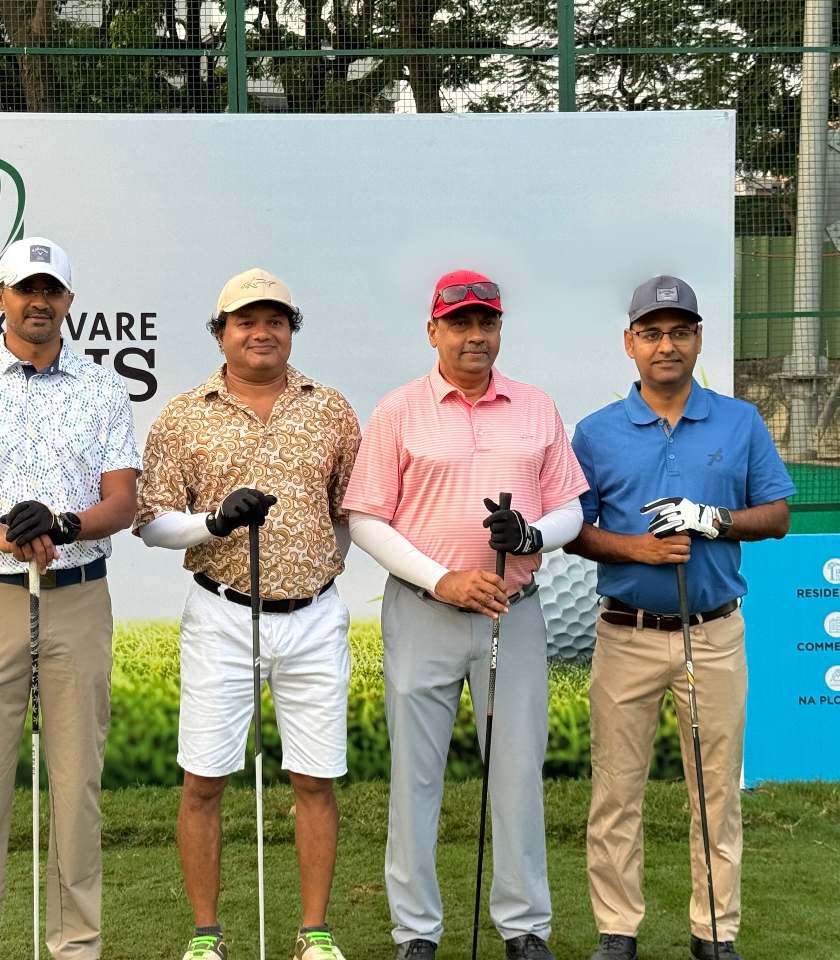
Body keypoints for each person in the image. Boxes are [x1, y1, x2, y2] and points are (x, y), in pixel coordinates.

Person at [344, 269, 588, 960]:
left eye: (486, 322)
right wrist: (442, 579)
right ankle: (416, 932)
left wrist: (532, 536)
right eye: (459, 323)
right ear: (434, 331)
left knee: (516, 772)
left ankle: (524, 926)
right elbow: (365, 518)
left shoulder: (536, 407)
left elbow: (570, 507)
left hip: (515, 612)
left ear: (499, 329)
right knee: (414, 775)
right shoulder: (399, 410)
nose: (474, 335)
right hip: (424, 610)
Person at [0, 236, 142, 960]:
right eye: (25, 289)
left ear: (68, 301)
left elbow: (122, 501)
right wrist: (4, 535)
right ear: (0, 298)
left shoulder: (103, 389)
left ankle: (77, 948)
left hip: (78, 595)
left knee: (77, 789)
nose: (38, 302)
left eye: (50, 290)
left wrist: (64, 524)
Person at [132, 267, 361, 960]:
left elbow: (348, 511)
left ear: (291, 330)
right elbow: (151, 522)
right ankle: (206, 935)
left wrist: (320, 567)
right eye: (246, 321)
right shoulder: (183, 414)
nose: (262, 332)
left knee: (314, 779)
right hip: (223, 616)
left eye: (275, 320)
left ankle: (315, 934)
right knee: (204, 779)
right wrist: (214, 522)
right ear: (221, 332)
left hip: (314, 617)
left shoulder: (331, 409)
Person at [565, 275, 794, 960]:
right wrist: (635, 547)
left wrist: (713, 519)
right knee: (616, 791)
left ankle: (714, 932)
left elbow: (777, 515)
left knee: (716, 791)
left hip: (715, 633)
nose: (666, 345)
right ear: (630, 343)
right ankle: (617, 930)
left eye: (680, 332)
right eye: (652, 333)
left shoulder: (739, 421)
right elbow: (576, 532)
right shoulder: (596, 432)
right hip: (626, 633)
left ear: (698, 339)